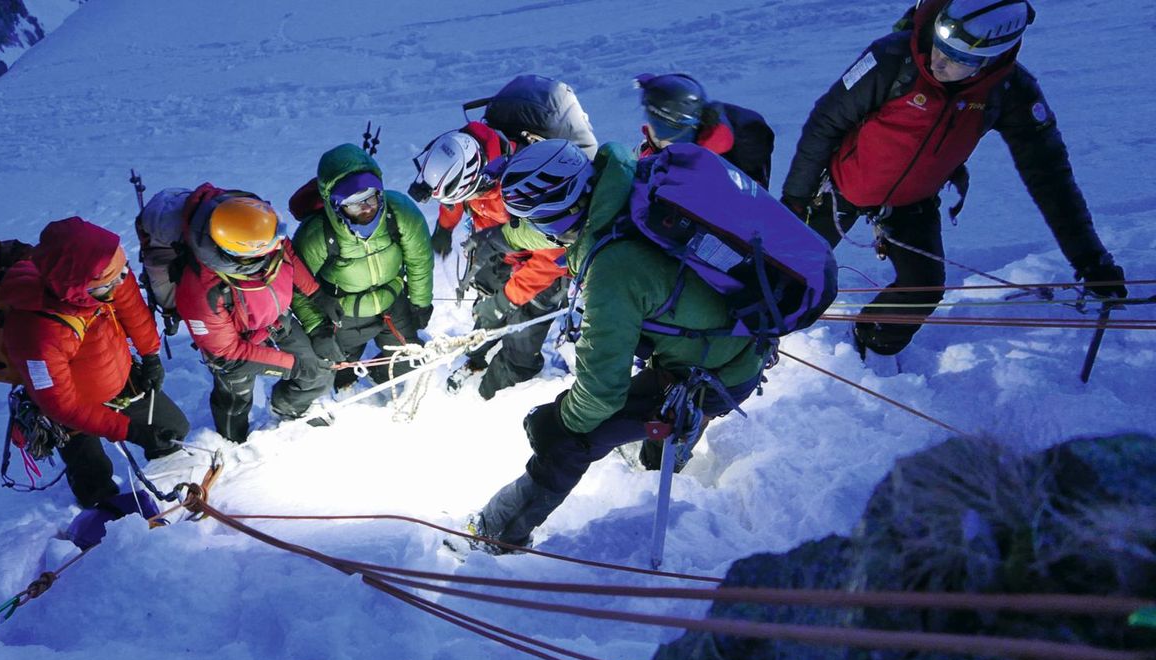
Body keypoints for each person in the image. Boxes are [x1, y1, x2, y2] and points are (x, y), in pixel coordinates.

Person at [466, 140, 767, 552]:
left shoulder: (613, 268)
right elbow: (545, 224)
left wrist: (558, 422)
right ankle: (662, 455)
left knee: (570, 440)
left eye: (539, 219)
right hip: (736, 342)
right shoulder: (625, 185)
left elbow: (601, 392)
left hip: (713, 371)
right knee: (651, 411)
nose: (541, 230)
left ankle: (496, 534)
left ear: (560, 213)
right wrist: (502, 237)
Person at [781, 0, 1127, 358]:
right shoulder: (891, 59)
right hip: (840, 185)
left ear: (991, 59)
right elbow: (825, 123)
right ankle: (761, 345)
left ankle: (868, 349)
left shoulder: (1009, 92)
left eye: (958, 58)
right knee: (786, 269)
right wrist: (794, 201)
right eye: (939, 46)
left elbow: (1051, 178)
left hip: (912, 200)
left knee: (923, 290)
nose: (938, 62)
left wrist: (1091, 261)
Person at [1, 217, 189, 549]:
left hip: (119, 378)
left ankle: (161, 485)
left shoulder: (108, 272)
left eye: (122, 274)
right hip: (72, 410)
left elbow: (132, 308)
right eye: (107, 286)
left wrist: (151, 355)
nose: (119, 285)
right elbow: (61, 404)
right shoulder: (37, 332)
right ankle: (104, 529)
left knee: (173, 429)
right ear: (73, 289)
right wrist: (128, 430)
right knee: (93, 480)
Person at [138, 185, 336, 443]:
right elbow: (227, 354)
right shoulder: (200, 291)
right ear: (242, 255)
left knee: (316, 369)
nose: (276, 248)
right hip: (235, 349)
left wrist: (316, 294)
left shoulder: (263, 236)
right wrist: (293, 366)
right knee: (235, 399)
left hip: (276, 321)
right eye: (268, 248)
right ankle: (232, 442)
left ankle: (287, 408)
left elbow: (286, 252)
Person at [409, 123, 571, 399]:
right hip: (497, 249)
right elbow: (454, 198)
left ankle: (493, 394)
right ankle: (477, 355)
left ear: (480, 182)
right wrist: (445, 227)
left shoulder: (528, 184)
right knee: (487, 308)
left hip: (543, 269)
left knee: (521, 333)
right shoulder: (467, 157)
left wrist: (507, 299)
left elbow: (552, 256)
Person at [290, 143, 434, 389]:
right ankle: (343, 383)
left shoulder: (400, 213)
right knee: (336, 366)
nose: (367, 208)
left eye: (371, 198)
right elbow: (296, 284)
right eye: (355, 204)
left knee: (409, 358)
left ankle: (379, 374)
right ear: (337, 205)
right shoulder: (316, 234)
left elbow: (419, 259)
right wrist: (316, 327)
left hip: (392, 300)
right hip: (343, 311)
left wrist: (420, 302)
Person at [634, 72, 775, 188]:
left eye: (658, 124)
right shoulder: (659, 144)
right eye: (650, 118)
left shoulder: (716, 160)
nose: (653, 130)